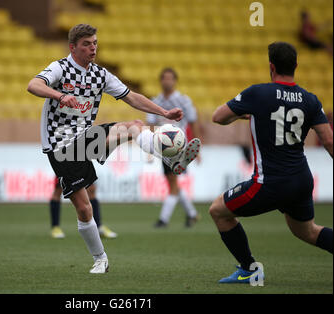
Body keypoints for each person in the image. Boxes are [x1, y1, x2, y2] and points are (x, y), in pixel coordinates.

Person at [27, 24, 200, 273]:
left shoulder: (100, 74)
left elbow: (131, 97)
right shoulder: (60, 68)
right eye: (87, 44)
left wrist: (164, 112)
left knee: (134, 125)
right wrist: (59, 96)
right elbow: (32, 85)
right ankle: (100, 259)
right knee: (84, 209)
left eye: (95, 43)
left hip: (86, 136)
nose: (93, 48)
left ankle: (170, 159)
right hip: (61, 145)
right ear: (72, 47)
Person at [210, 42, 333, 283]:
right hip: (301, 180)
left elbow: (218, 117)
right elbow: (329, 141)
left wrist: (244, 113)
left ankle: (249, 269)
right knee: (308, 231)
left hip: (270, 183)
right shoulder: (310, 100)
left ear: (271, 66)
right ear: (296, 66)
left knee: (218, 211)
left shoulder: (257, 94)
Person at [147, 68, 201, 228]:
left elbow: (193, 122)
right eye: (164, 78)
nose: (167, 81)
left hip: (179, 146)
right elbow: (150, 124)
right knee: (173, 182)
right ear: (160, 81)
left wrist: (198, 146)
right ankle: (192, 214)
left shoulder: (184, 101)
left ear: (175, 81)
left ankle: (163, 219)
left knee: (172, 181)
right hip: (162, 148)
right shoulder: (155, 101)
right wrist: (150, 148)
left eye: (170, 78)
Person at [49, 178, 117, 239]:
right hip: (64, 165)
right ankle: (55, 227)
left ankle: (98, 227)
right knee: (58, 189)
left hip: (81, 164)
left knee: (91, 188)